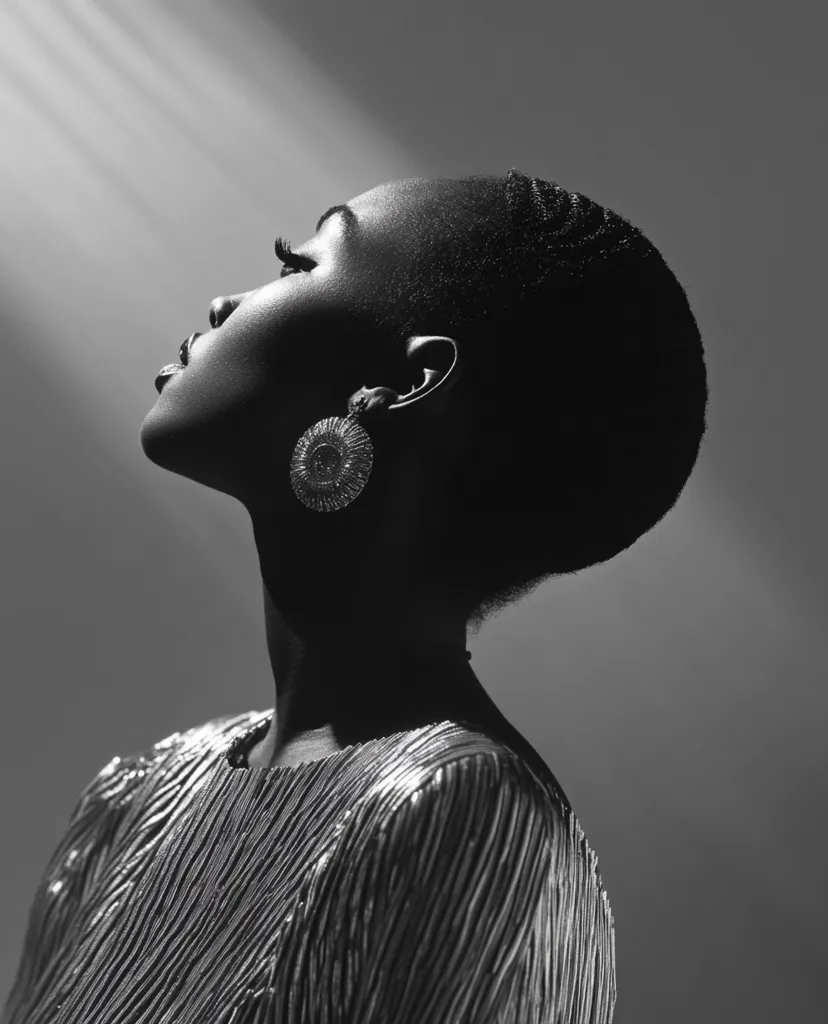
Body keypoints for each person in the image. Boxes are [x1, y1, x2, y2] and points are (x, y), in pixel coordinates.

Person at [2, 169, 707, 1024]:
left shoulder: (464, 816)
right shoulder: (142, 793)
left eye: (298, 265)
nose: (227, 301)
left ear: (409, 385)